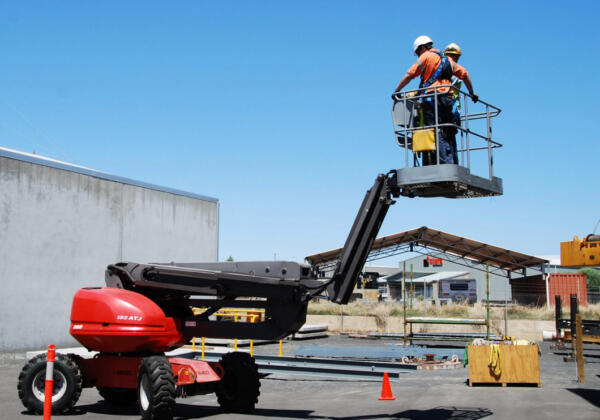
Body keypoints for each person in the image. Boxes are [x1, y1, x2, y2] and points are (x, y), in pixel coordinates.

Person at [394, 36, 478, 165]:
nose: (417, 56)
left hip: (432, 99)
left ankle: (435, 162)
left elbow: (410, 74)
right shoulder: (447, 60)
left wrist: (397, 90)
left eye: (417, 53)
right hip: (448, 99)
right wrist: (472, 93)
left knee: (432, 129)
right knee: (448, 130)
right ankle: (451, 162)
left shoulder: (426, 56)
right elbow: (465, 74)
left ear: (422, 48)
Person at [443, 42, 477, 164]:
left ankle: (449, 161)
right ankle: (452, 161)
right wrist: (472, 93)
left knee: (445, 135)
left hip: (448, 107)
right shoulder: (455, 69)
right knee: (449, 136)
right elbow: (465, 77)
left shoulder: (447, 69)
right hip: (453, 108)